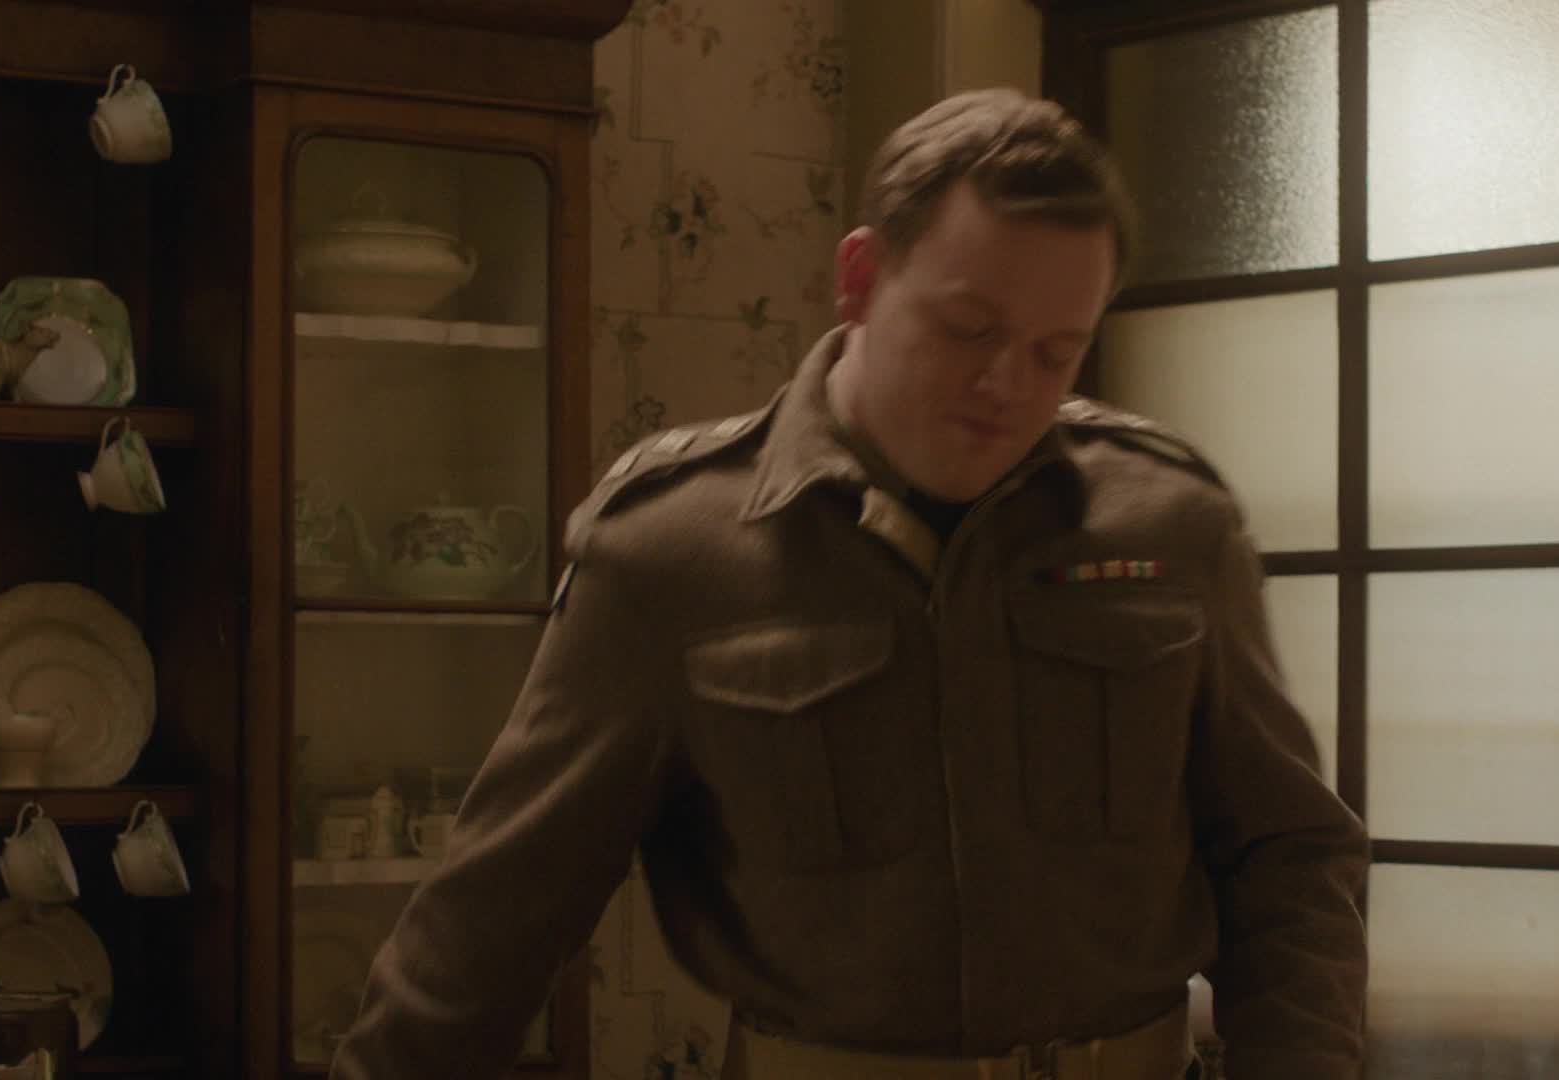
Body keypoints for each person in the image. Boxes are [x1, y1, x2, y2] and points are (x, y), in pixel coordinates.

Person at [330, 87, 1368, 1080]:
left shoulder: (1171, 525)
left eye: (1057, 352)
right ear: (862, 278)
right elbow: (495, 918)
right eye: (969, 329)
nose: (1008, 386)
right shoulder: (673, 554)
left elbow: (1288, 855)